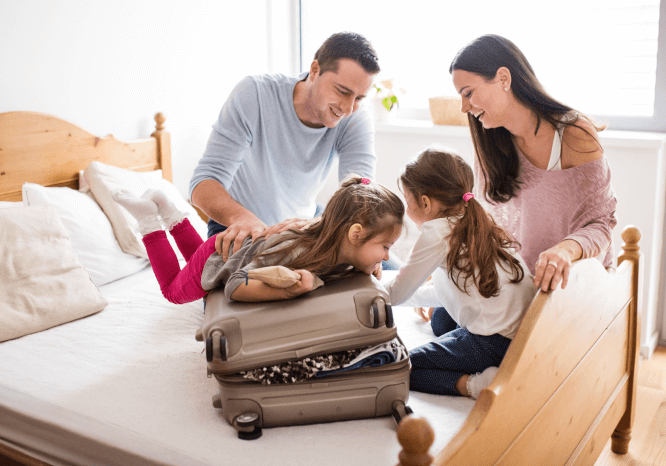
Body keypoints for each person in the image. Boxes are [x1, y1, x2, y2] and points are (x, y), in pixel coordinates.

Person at [421, 34, 618, 344]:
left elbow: (601, 224)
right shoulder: (490, 141)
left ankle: (480, 378)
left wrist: (564, 250)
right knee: (441, 318)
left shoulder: (574, 133)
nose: (463, 107)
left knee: (459, 328)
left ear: (503, 78)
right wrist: (448, 270)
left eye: (468, 93)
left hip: (561, 279)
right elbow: (483, 221)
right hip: (516, 279)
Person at [189, 32, 381, 262]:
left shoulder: (355, 118)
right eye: (342, 91)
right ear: (314, 70)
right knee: (244, 291)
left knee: (385, 275)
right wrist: (242, 218)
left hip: (309, 224)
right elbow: (203, 182)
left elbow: (361, 193)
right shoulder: (255, 94)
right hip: (239, 224)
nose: (348, 108)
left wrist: (319, 225)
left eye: (359, 98)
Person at [384, 149, 536, 399]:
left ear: (425, 203)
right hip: (523, 334)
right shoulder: (477, 218)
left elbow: (396, 294)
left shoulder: (436, 232)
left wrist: (363, 289)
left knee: (403, 368)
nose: (407, 210)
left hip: (496, 342)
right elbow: (457, 288)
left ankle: (479, 384)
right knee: (440, 320)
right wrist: (416, 295)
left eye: (407, 201)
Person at [111, 176, 403, 303]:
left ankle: (170, 209)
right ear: (354, 234)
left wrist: (369, 265)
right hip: (224, 257)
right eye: (385, 247)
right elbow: (236, 284)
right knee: (176, 291)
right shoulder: (296, 253)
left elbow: (351, 265)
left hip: (222, 251)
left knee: (198, 261)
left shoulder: (335, 248)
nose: (387, 257)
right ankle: (149, 220)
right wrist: (287, 291)